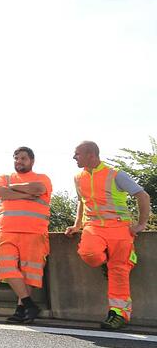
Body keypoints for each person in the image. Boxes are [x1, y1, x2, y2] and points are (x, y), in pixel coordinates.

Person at [65, 140, 151, 330]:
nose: (74, 157)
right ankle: (109, 259)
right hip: (93, 227)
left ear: (91, 155)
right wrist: (77, 225)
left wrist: (141, 224)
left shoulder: (116, 175)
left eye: (77, 154)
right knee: (90, 254)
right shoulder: (79, 177)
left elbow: (143, 196)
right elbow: (82, 202)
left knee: (119, 271)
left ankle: (118, 314)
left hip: (120, 229)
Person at [0, 146, 52, 323]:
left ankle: (21, 309)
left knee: (29, 272)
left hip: (34, 231)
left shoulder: (42, 178)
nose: (19, 161)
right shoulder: (4, 178)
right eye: (16, 158)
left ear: (32, 161)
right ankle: (29, 304)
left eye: (23, 158)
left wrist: (11, 191)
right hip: (7, 231)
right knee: (6, 268)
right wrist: (24, 193)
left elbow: (38, 189)